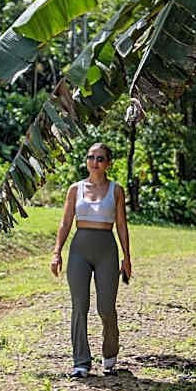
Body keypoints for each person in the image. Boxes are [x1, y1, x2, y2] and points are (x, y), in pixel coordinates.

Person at [50, 142, 132, 378]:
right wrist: (57, 252)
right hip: (79, 250)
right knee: (80, 306)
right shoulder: (75, 189)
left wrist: (127, 256)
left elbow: (122, 226)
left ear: (108, 163)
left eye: (100, 158)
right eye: (91, 157)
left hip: (107, 248)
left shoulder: (116, 190)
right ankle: (81, 362)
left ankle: (109, 354)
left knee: (106, 308)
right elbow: (65, 223)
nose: (94, 162)